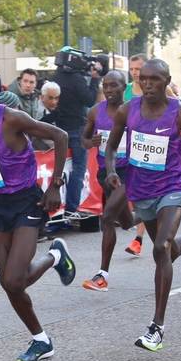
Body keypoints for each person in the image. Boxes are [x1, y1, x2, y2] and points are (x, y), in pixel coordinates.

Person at [102, 58, 181, 351]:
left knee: (159, 249)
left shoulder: (178, 113)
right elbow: (111, 146)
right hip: (142, 191)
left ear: (167, 81)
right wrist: (112, 171)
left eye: (155, 79)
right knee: (166, 250)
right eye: (143, 78)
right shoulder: (127, 110)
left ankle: (157, 326)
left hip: (171, 188)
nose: (148, 84)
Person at [0, 70, 75, 361]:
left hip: (26, 201)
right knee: (8, 283)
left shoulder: (11, 118)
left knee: (13, 280)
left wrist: (55, 185)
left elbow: (59, 136)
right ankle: (41, 339)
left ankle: (53, 257)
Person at [81, 70, 131, 290]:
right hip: (105, 173)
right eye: (106, 85)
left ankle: (102, 275)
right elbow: (83, 140)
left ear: (124, 87)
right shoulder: (95, 112)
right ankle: (148, 217)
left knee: (108, 216)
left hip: (129, 172)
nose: (109, 90)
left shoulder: (133, 111)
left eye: (115, 86)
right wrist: (91, 141)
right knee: (126, 221)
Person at [52, 51, 101, 219]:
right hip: (76, 129)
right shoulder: (77, 79)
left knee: (58, 169)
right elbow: (89, 99)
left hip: (58, 129)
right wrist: (95, 79)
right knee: (78, 169)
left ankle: (55, 210)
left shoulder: (55, 78)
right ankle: (71, 208)